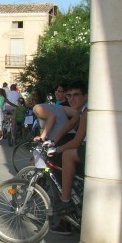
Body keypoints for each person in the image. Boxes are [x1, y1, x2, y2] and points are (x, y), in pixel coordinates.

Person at [46, 81, 88, 235]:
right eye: (69, 95)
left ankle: (65, 201)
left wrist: (57, 149)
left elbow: (77, 140)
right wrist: (53, 141)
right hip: (87, 149)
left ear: (85, 96)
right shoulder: (81, 112)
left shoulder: (87, 112)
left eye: (76, 95)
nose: (72, 99)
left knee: (67, 155)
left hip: (91, 150)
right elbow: (68, 127)